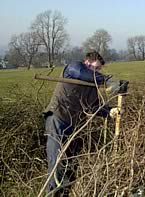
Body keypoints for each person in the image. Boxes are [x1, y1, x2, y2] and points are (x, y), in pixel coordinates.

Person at [43, 51, 121, 196]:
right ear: (87, 63)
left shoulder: (91, 85)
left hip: (76, 125)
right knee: (57, 165)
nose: (96, 72)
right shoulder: (73, 68)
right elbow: (80, 72)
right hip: (58, 119)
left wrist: (110, 111)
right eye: (94, 68)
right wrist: (107, 80)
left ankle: (64, 194)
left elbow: (93, 107)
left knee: (71, 166)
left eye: (98, 70)